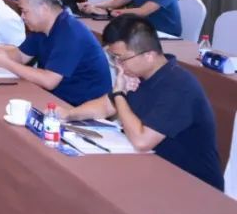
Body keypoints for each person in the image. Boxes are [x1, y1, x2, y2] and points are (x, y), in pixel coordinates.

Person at [60, 17, 223, 190]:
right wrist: (68, 114)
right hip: (153, 170)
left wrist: (119, 94)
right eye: (114, 58)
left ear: (149, 55)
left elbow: (142, 141)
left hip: (193, 185)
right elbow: (105, 106)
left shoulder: (180, 87)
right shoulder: (141, 74)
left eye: (121, 59)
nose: (118, 66)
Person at [0, 0, 111, 105]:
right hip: (56, 99)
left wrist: (5, 62)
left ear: (44, 8)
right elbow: (21, 56)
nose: (22, 17)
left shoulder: (70, 32)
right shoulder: (41, 27)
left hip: (81, 108)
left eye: (25, 11)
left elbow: (49, 81)